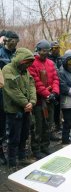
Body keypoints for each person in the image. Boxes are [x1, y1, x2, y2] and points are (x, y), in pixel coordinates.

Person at [2, 48, 36, 170]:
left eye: (30, 63)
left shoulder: (26, 71)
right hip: (14, 110)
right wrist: (26, 103)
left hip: (26, 109)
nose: (28, 65)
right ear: (20, 60)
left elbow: (32, 85)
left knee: (24, 134)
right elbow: (12, 90)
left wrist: (32, 102)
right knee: (14, 137)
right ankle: (12, 163)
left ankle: (22, 158)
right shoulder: (7, 69)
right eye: (26, 62)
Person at [28, 39, 60, 160]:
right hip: (38, 101)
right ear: (38, 50)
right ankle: (36, 149)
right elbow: (35, 82)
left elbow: (56, 78)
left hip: (50, 100)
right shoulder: (32, 63)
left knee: (48, 123)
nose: (45, 53)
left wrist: (55, 93)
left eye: (47, 51)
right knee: (38, 126)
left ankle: (45, 146)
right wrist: (47, 94)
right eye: (43, 51)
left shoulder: (51, 63)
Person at [0, 30, 19, 165]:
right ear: (6, 41)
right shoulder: (1, 53)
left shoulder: (17, 54)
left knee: (12, 124)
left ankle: (12, 152)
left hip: (13, 93)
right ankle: (1, 151)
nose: (14, 44)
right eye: (12, 42)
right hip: (1, 93)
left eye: (16, 42)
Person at [48, 41, 62, 140]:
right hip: (49, 88)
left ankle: (58, 126)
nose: (56, 50)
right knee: (50, 111)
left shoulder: (61, 59)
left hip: (59, 86)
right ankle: (50, 130)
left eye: (57, 48)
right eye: (54, 48)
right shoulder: (48, 59)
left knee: (57, 109)